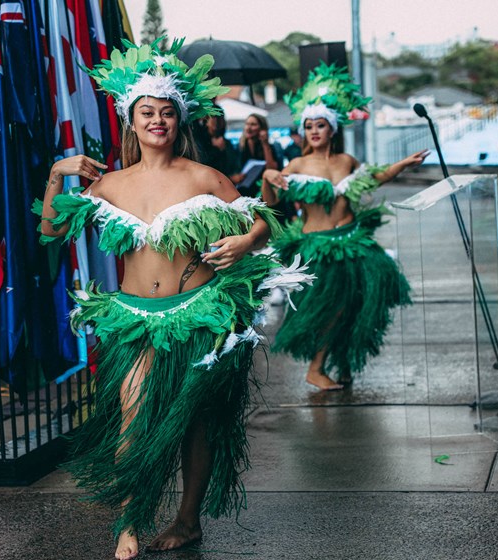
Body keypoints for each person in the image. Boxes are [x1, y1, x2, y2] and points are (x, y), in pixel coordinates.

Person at [34, 38, 313, 560]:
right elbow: (51, 229)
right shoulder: (110, 184)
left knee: (195, 422)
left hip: (198, 315)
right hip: (135, 317)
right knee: (133, 413)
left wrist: (246, 240)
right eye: (147, 112)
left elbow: (264, 222)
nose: (156, 120)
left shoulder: (203, 177)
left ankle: (187, 522)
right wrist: (57, 174)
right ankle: (131, 519)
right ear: (131, 120)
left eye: (166, 112)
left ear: (178, 120)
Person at [262, 62, 428, 391]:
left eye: (320, 125)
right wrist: (268, 177)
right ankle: (316, 368)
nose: (313, 131)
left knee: (355, 306)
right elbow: (270, 202)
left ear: (332, 129)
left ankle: (345, 363)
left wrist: (402, 165)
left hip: (352, 243)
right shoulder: (296, 164)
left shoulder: (346, 161)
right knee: (330, 309)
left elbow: (375, 177)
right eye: (308, 125)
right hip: (319, 247)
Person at [230, 113, 280, 197]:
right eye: (247, 124)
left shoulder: (270, 147)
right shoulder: (238, 148)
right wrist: (234, 178)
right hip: (242, 193)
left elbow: (272, 169)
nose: (248, 128)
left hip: (262, 193)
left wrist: (265, 144)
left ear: (262, 129)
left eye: (253, 125)